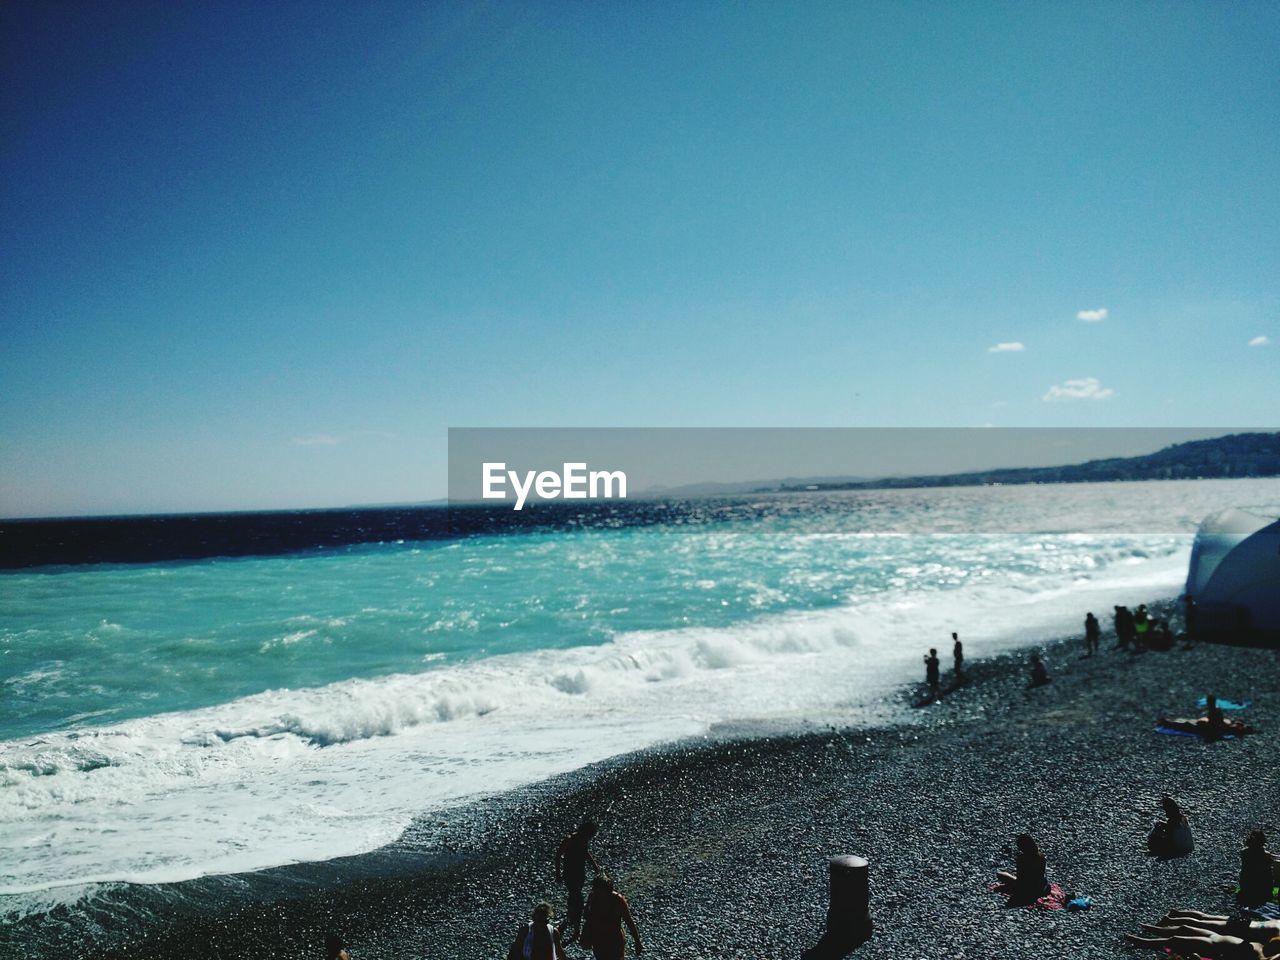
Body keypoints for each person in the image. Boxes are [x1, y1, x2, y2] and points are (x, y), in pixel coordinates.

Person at [1122, 924, 1275, 960]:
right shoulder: (1266, 948)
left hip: (1213, 945)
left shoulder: (1261, 957)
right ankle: (1154, 930)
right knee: (1184, 928)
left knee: (1176, 940)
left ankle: (1143, 941)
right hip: (1216, 937)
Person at [580, 873, 643, 959]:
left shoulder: (618, 901)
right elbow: (586, 915)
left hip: (614, 942)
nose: (595, 892)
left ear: (606, 890)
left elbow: (629, 921)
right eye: (594, 889)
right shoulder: (593, 897)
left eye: (598, 890)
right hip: (598, 940)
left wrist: (637, 941)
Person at [556, 820, 600, 937]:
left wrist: (595, 866)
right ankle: (577, 929)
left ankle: (570, 915)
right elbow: (558, 856)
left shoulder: (583, 840)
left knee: (574, 895)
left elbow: (586, 853)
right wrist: (558, 874)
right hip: (569, 874)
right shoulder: (569, 840)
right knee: (579, 900)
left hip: (580, 873)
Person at [1159, 695, 1255, 740]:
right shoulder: (1223, 719)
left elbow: (1216, 726)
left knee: (1185, 723)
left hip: (1211, 726)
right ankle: (1166, 722)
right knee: (1185, 723)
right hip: (1212, 725)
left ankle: (1166, 722)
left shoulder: (1225, 722)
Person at [996, 834, 1049, 902]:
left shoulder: (1022, 858)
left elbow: (1020, 878)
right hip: (1040, 886)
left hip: (1027, 888)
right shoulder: (1041, 856)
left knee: (1000, 874)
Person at [1241, 830, 1280, 906]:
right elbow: (1271, 857)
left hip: (1246, 887)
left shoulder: (1244, 852)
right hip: (1264, 889)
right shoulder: (1266, 855)